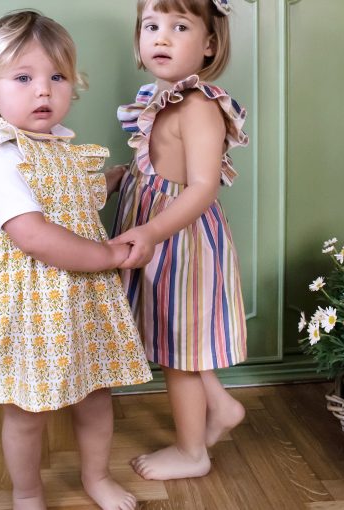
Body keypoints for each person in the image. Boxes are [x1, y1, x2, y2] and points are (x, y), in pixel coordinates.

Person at [0, 10, 152, 510]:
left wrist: (114, 179)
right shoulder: (2, 157)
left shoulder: (62, 149)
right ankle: (27, 492)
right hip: (31, 301)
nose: (43, 90)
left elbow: (72, 197)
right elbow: (34, 235)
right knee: (28, 408)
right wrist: (107, 253)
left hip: (79, 298)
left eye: (57, 77)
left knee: (96, 392)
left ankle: (96, 476)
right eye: (23, 78)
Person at [109, 0, 248, 480]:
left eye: (180, 26)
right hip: (160, 236)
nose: (161, 37)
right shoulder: (159, 97)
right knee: (176, 335)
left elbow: (203, 187)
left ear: (209, 44)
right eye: (151, 25)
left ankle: (192, 453)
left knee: (180, 357)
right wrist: (120, 177)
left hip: (181, 241)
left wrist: (151, 230)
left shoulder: (200, 107)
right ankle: (221, 406)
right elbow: (156, 165)